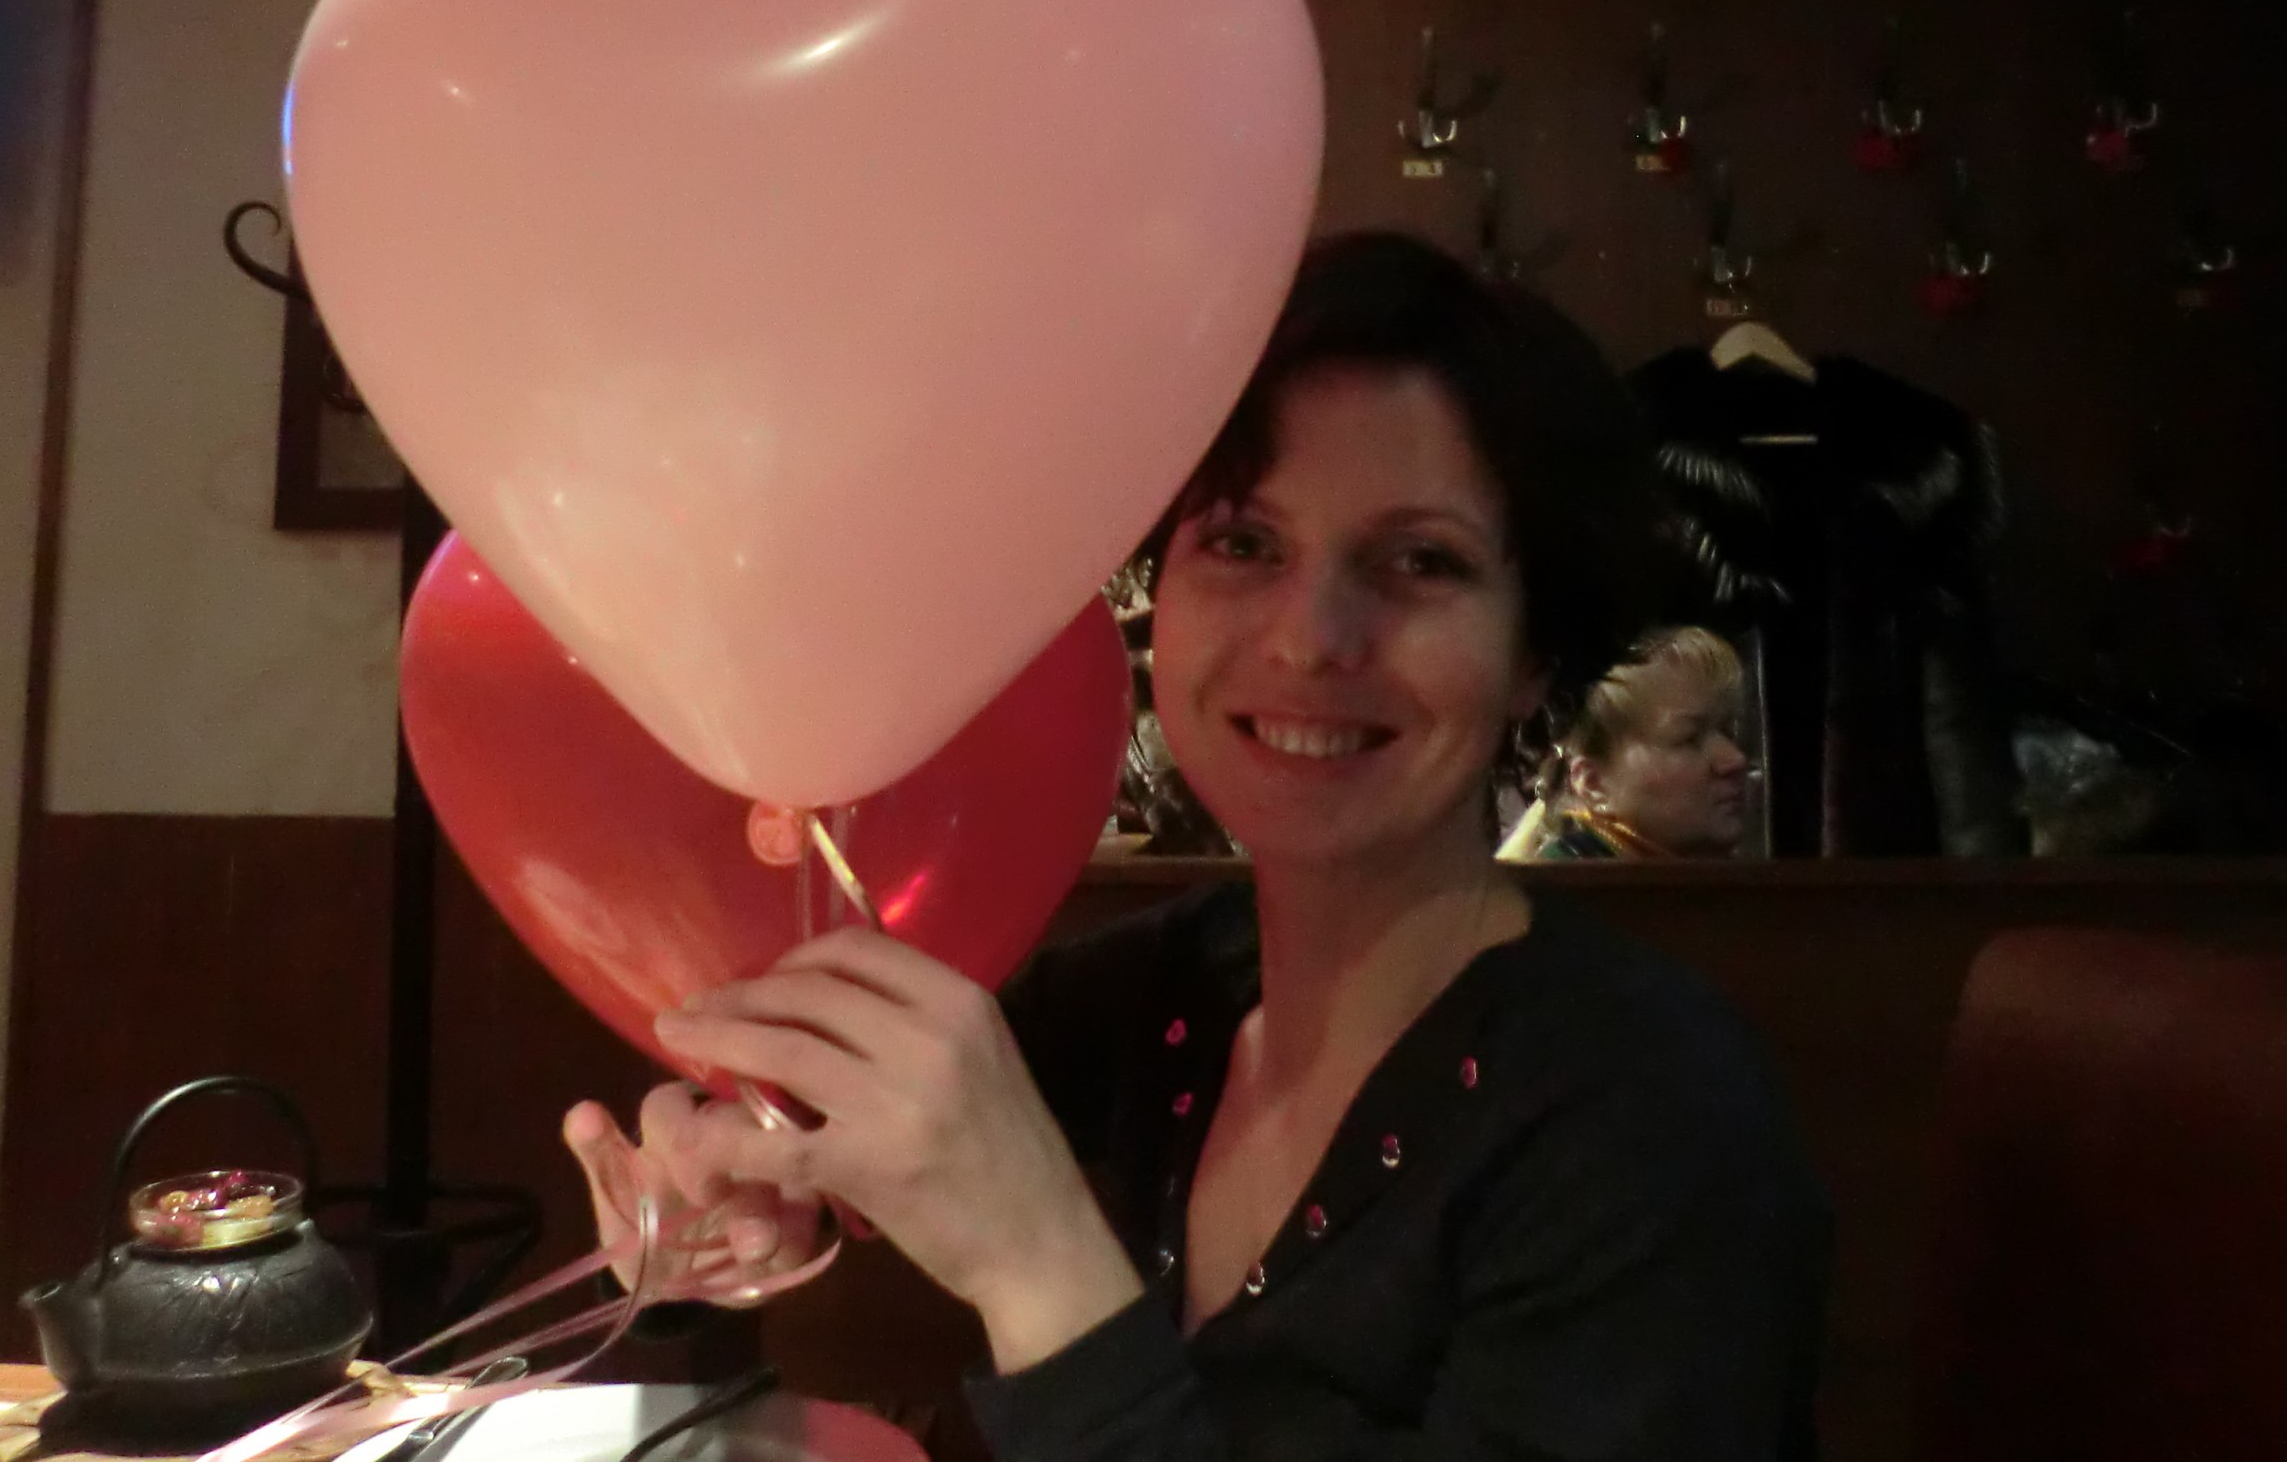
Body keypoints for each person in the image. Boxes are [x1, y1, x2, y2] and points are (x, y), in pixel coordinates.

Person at [565, 232, 1832, 1461]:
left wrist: (1039, 1263)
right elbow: (829, 1167)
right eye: (1241, 543)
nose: (1308, 637)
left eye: (1419, 562)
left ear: (1533, 657)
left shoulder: (1658, 1121)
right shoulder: (1161, 993)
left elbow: (1031, 1270)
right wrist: (730, 1196)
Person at [1498, 627, 1754, 860]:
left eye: (1728, 731)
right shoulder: (1567, 889)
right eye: (1690, 740)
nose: (1735, 760)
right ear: (1593, 783)